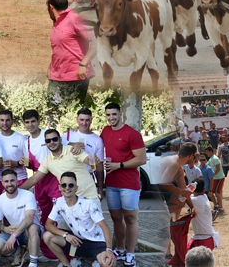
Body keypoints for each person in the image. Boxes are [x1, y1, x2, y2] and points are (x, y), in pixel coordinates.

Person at [100, 102, 146, 267]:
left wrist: (119, 165)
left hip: (129, 184)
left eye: (114, 114)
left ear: (121, 114)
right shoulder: (105, 131)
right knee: (116, 219)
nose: (111, 118)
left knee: (131, 218)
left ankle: (131, 253)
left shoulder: (131, 134)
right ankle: (119, 250)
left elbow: (141, 159)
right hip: (111, 183)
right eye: (108, 115)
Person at [43, 172, 116, 267]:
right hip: (77, 242)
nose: (67, 188)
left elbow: (105, 227)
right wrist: (66, 235)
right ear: (60, 187)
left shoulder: (88, 204)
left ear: (76, 188)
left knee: (108, 263)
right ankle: (67, 265)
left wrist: (109, 249)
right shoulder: (59, 202)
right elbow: (48, 224)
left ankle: (96, 259)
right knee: (47, 236)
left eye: (71, 185)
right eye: (64, 185)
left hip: (97, 243)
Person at [20, 128, 97, 202]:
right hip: (70, 201)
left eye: (54, 139)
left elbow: (88, 160)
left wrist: (92, 160)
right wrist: (17, 191)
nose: (52, 142)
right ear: (45, 143)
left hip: (89, 197)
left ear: (60, 140)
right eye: (48, 140)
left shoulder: (72, 150)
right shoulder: (48, 160)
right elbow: (34, 179)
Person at [46, 0, 95, 104]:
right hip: (57, 77)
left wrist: (83, 64)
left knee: (72, 115)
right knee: (51, 113)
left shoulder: (74, 19)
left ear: (51, 7)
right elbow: (59, 48)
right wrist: (51, 67)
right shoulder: (57, 22)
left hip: (76, 77)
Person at [0, 169, 42, 267]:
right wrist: (5, 228)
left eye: (12, 180)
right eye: (6, 181)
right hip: (12, 230)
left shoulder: (28, 195)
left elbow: (30, 218)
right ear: (2, 183)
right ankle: (18, 250)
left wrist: (13, 236)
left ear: (17, 181)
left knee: (33, 228)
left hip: (28, 231)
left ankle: (33, 263)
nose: (10, 184)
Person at [188, 180, 217, 251]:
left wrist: (189, 188)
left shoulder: (195, 200)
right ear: (204, 189)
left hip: (203, 240)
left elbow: (180, 199)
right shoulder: (204, 196)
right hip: (207, 238)